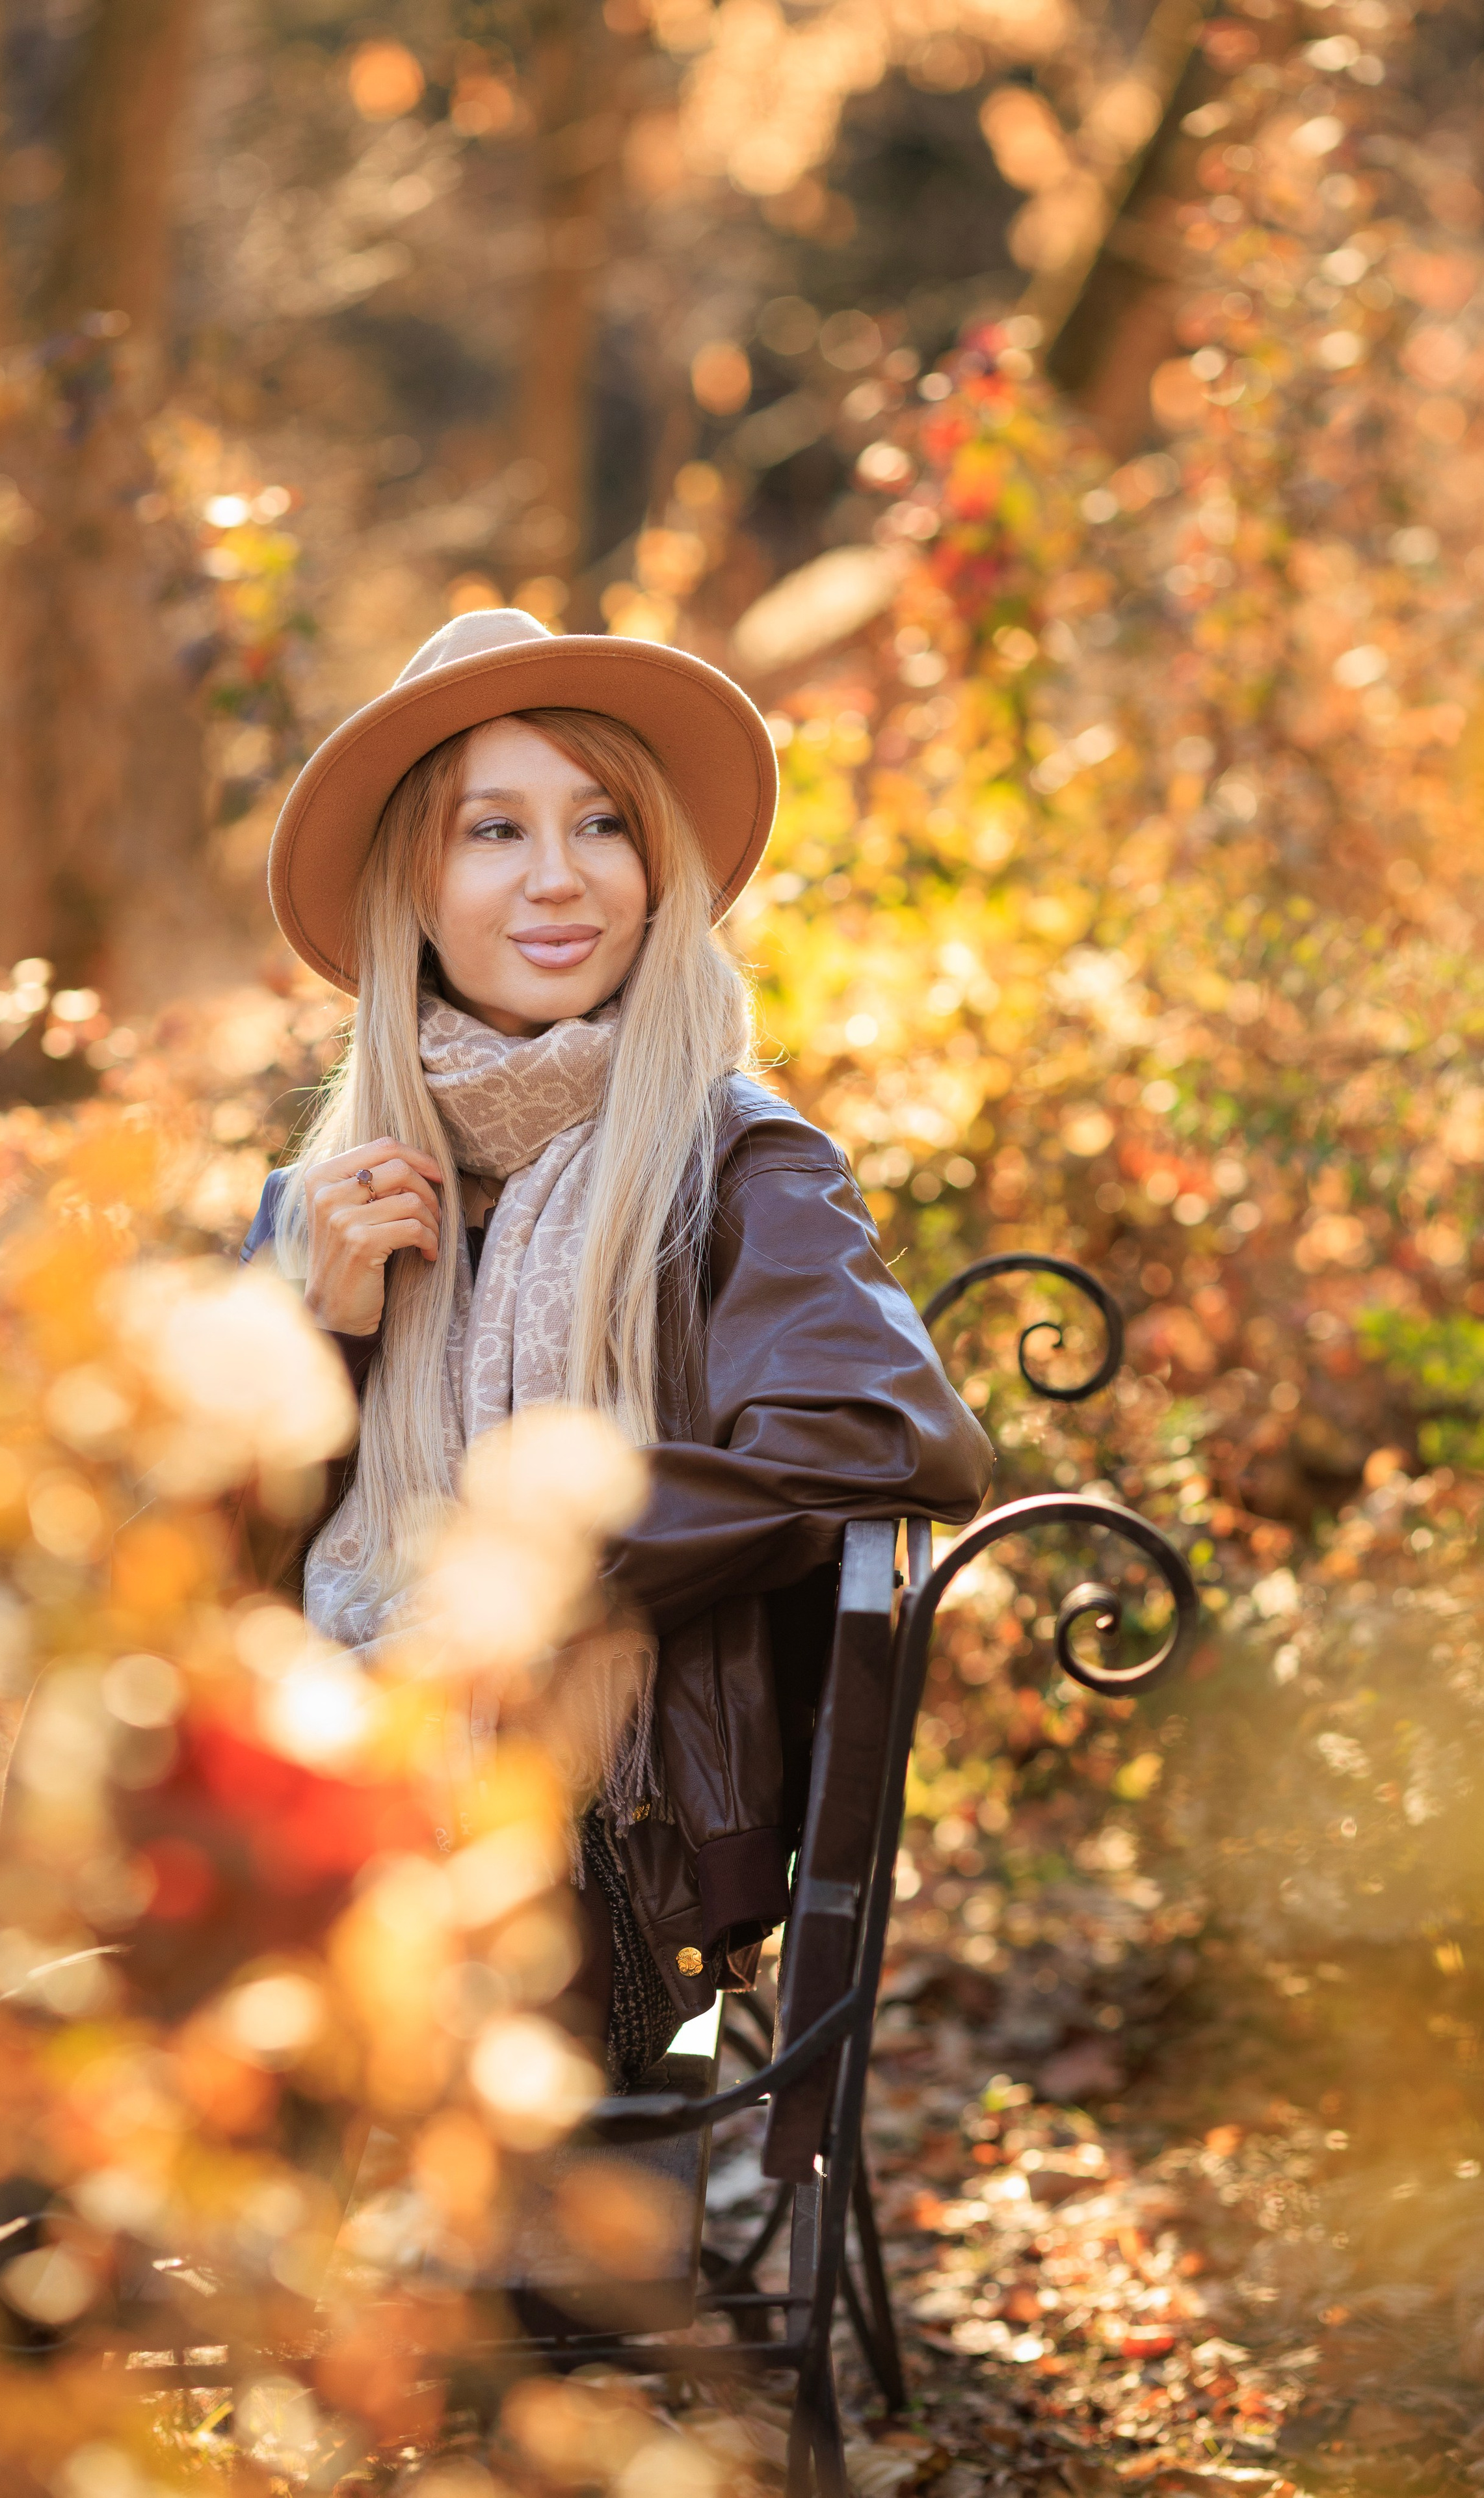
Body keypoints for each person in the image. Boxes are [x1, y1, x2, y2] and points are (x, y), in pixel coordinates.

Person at [241, 606, 993, 2086]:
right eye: (494, 831)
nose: (559, 876)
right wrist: (319, 1335)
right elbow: (190, 1592)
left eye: (601, 824)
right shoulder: (321, 1207)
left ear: (657, 872)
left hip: (599, 1862)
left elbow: (881, 1436)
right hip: (317, 1820)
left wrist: (534, 1571)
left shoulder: (734, 1165)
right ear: (413, 889)